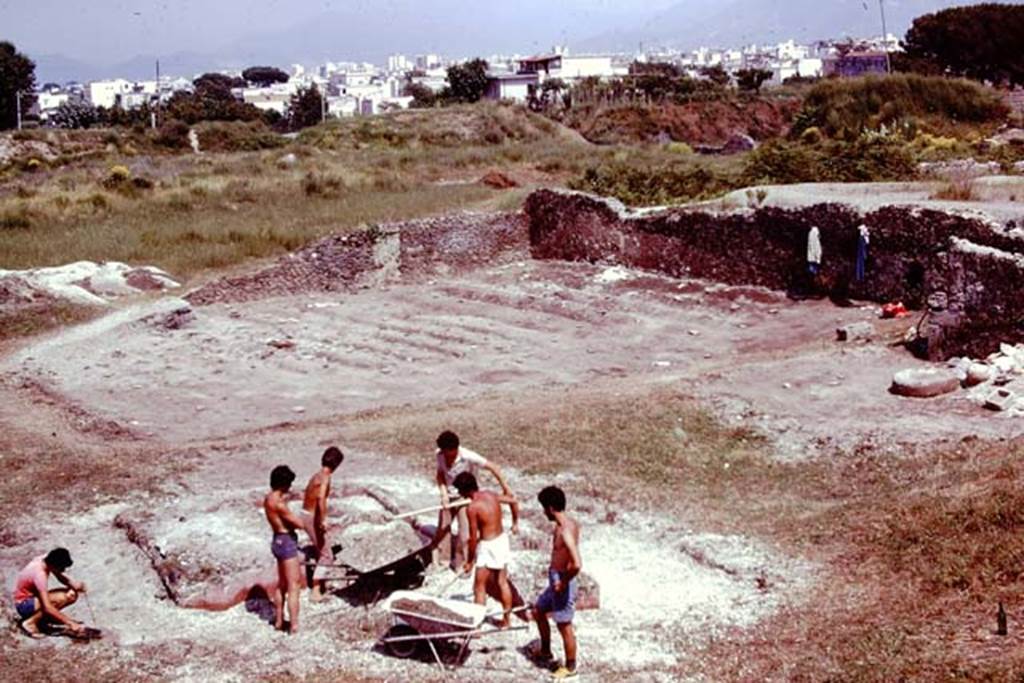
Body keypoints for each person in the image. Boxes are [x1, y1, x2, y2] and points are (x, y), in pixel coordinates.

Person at [434, 430, 516, 569]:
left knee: (465, 533)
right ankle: (443, 561)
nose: (450, 456)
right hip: (449, 495)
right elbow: (440, 475)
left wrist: (505, 487)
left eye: (453, 452)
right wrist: (444, 494)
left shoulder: (467, 456)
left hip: (464, 496)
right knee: (443, 529)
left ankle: (462, 563)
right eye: (448, 453)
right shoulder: (439, 455)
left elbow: (493, 467)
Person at [454, 472, 519, 628]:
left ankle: (476, 626)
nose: (459, 494)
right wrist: (515, 521)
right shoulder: (491, 494)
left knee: (479, 586)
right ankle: (507, 621)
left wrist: (469, 561)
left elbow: (473, 538)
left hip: (488, 545)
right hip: (502, 540)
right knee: (502, 582)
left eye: (459, 491)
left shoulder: (472, 508)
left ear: (465, 490)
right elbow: (513, 500)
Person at [530, 486, 582, 681]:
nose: (543, 512)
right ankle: (545, 651)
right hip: (556, 580)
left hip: (562, 581)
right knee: (538, 611)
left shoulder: (565, 532)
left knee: (564, 625)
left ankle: (570, 667)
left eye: (544, 508)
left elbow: (577, 564)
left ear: (551, 508)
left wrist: (563, 582)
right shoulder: (570, 524)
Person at [264, 465, 305, 634]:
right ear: (283, 484)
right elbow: (299, 524)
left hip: (277, 540)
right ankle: (294, 626)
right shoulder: (279, 503)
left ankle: (279, 621)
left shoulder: (268, 498)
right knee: (293, 585)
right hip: (286, 541)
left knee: (281, 584)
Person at [12, 547, 86, 639]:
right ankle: (29, 623)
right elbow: (47, 607)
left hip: (32, 599)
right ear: (54, 565)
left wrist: (73, 584)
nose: (63, 570)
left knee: (71, 594)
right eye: (61, 568)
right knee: (62, 597)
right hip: (24, 605)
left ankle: (41, 620)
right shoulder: (40, 575)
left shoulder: (46, 559)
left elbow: (59, 576)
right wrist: (70, 623)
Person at [300, 446, 344, 601]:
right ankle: (316, 590)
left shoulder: (316, 475)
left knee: (321, 549)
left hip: (306, 513)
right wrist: (323, 519)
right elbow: (320, 499)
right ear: (337, 464)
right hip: (312, 516)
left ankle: (321, 583)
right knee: (327, 555)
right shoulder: (325, 477)